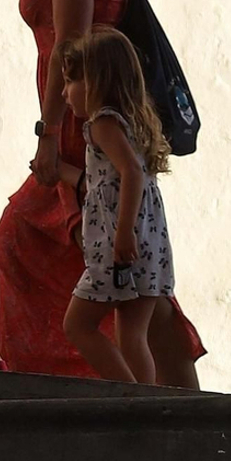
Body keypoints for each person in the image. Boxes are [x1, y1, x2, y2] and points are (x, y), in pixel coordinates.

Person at [0, 0, 205, 386]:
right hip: (94, 115)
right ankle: (169, 390)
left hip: (77, 120)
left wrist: (49, 130)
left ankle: (64, 379)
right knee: (126, 271)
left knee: (23, 238)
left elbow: (70, 44)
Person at [59, 30, 177, 384]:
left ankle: (127, 394)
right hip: (149, 244)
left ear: (95, 81)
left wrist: (123, 233)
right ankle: (146, 405)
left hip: (121, 246)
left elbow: (131, 173)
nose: (65, 94)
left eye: (71, 82)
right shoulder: (132, 122)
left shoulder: (103, 124)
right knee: (133, 336)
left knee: (77, 324)